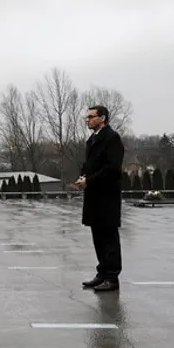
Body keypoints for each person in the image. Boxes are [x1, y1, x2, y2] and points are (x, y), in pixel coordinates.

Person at [73, 105, 125, 292]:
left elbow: (112, 168)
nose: (87, 120)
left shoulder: (112, 138)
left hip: (107, 195)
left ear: (102, 118)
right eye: (87, 117)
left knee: (108, 237)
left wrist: (89, 180)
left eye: (91, 116)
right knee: (98, 236)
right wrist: (83, 177)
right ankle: (102, 273)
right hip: (94, 195)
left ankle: (112, 277)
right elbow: (90, 164)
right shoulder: (93, 140)